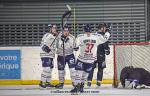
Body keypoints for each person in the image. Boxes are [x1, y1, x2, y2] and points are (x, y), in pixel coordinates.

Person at [70, 24, 110, 93]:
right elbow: (105, 39)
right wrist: (108, 32)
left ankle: (76, 88)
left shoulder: (80, 37)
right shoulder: (96, 36)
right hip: (91, 60)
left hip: (82, 59)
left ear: (84, 30)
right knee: (85, 74)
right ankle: (82, 87)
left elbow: (75, 46)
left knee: (79, 73)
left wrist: (75, 46)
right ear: (91, 30)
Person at [87, 23, 110, 87]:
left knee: (91, 68)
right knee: (100, 68)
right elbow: (105, 46)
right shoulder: (103, 36)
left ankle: (89, 81)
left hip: (92, 54)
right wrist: (107, 50)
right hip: (101, 55)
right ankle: (98, 82)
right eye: (104, 28)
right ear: (102, 28)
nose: (105, 29)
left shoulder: (93, 35)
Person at [39, 24, 58, 88]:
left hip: (50, 55)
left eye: (55, 28)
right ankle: (42, 82)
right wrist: (48, 50)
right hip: (45, 55)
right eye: (53, 28)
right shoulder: (48, 35)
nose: (55, 29)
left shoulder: (52, 36)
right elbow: (43, 45)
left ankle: (48, 82)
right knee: (46, 69)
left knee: (50, 69)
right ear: (50, 29)